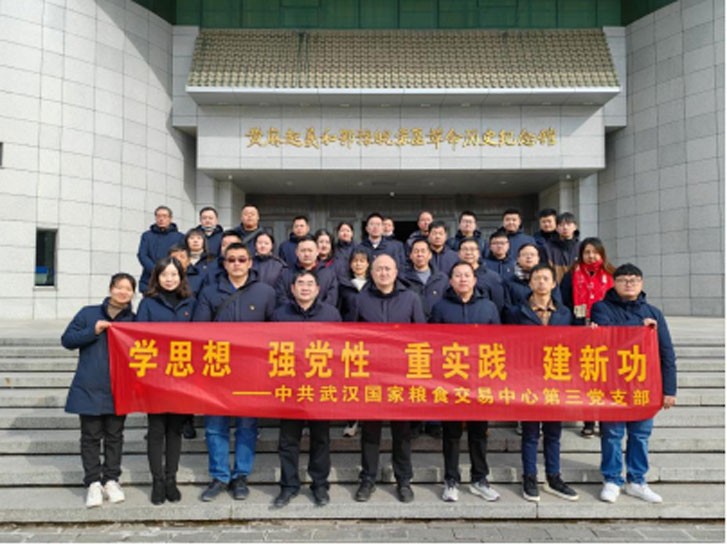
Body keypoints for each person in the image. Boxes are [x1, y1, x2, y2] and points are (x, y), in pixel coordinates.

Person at [193, 243, 276, 502]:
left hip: (251, 370)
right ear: (224, 263)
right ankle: (219, 476)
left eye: (242, 259)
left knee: (247, 425)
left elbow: (276, 332)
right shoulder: (210, 292)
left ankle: (241, 475)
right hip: (217, 369)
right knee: (214, 426)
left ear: (250, 262)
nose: (237, 264)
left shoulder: (265, 292)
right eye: (231, 260)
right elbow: (198, 330)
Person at [591, 263, 677, 504]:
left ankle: (637, 480)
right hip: (612, 383)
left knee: (640, 435)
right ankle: (612, 479)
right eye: (623, 280)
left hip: (644, 384)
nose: (629, 284)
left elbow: (666, 352)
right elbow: (608, 333)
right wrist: (640, 328)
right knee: (612, 434)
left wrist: (669, 389)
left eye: (634, 280)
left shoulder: (653, 312)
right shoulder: (601, 307)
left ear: (641, 284)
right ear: (614, 283)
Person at [504, 264, 579, 503]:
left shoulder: (564, 313)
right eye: (537, 278)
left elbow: (574, 344)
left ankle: (553, 477)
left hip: (555, 379)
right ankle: (529, 477)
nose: (541, 282)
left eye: (546, 278)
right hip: (527, 378)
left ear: (554, 284)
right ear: (530, 283)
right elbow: (507, 344)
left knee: (553, 432)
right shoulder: (516, 312)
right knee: (530, 432)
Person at [354, 254, 425, 503]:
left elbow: (422, 336)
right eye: (379, 269)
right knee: (370, 432)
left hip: (401, 377)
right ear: (371, 273)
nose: (383, 273)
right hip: (371, 377)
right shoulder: (361, 299)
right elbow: (350, 337)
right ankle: (367, 479)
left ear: (396, 272)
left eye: (387, 269)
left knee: (402, 433)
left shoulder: (410, 298)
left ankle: (403, 480)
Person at [61, 272, 136, 508]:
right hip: (90, 386)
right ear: (111, 288)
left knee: (115, 436)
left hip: (118, 388)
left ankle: (111, 479)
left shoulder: (134, 320)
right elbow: (67, 340)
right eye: (119, 287)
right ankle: (93, 482)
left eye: (128, 289)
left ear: (133, 293)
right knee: (90, 437)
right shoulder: (88, 313)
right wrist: (92, 331)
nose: (123, 292)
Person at [430, 261, 501, 503]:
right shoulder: (440, 307)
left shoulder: (488, 307)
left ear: (474, 279)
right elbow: (433, 343)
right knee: (451, 434)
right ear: (450, 281)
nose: (462, 279)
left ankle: (480, 479)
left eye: (467, 275)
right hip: (451, 380)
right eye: (458, 275)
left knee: (478, 433)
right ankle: (451, 480)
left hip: (479, 380)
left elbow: (498, 342)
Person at [271, 271, 342, 508]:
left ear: (318, 289)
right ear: (292, 288)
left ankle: (319, 485)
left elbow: (339, 350)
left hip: (320, 387)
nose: (305, 287)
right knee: (288, 440)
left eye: (310, 283)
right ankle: (288, 486)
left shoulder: (331, 314)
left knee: (320, 439)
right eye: (300, 283)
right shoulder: (280, 315)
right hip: (290, 387)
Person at [136, 257, 196, 505]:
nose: (169, 279)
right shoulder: (148, 303)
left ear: (181, 277)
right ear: (156, 278)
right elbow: (139, 337)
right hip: (156, 375)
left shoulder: (190, 303)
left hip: (182, 374)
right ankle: (157, 480)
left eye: (174, 274)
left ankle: (171, 478)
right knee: (156, 430)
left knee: (175, 430)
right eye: (164, 275)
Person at [561, 237, 615, 438]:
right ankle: (589, 421)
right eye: (587, 252)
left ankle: (606, 420)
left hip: (606, 332)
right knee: (587, 377)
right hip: (579, 330)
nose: (591, 256)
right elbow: (564, 302)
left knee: (605, 378)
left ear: (602, 253)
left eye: (595, 252)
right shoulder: (571, 275)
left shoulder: (611, 274)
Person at [336, 248, 371, 439]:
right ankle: (352, 420)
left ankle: (370, 417)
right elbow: (338, 309)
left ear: (368, 264)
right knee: (352, 380)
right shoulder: (343, 285)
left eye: (362, 261)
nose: (359, 264)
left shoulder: (374, 284)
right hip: (349, 339)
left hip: (371, 340)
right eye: (355, 261)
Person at [274, 237, 338, 307]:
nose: (306, 254)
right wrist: (297, 310)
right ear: (296, 252)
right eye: (303, 251)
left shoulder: (328, 274)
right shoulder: (286, 274)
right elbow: (281, 298)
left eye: (310, 250)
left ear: (317, 252)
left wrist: (317, 311)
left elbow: (331, 300)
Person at [136, 206, 184, 293]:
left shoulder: (180, 237)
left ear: (170, 218)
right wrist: (156, 270)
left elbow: (181, 257)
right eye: (158, 216)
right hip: (149, 279)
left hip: (171, 280)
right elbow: (142, 255)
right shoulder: (147, 236)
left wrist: (167, 271)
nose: (161, 219)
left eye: (164, 216)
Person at [398, 239, 448, 319]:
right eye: (416, 251)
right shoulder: (402, 278)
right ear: (411, 256)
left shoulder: (442, 278)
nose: (419, 254)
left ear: (430, 255)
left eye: (423, 251)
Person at [456, 237, 507, 314]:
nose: (468, 252)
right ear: (458, 253)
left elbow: (498, 305)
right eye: (465, 249)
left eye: (472, 249)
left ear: (479, 253)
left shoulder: (492, 277)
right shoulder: (453, 275)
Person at [504, 243, 562, 308]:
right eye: (525, 254)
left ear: (538, 258)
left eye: (532, 254)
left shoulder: (548, 279)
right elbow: (508, 307)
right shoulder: (510, 282)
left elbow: (558, 305)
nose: (529, 257)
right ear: (518, 259)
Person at [543, 212, 580, 283]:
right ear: (556, 228)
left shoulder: (581, 247)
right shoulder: (547, 248)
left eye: (568, 224)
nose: (565, 227)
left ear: (575, 227)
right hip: (555, 286)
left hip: (577, 286)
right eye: (561, 225)